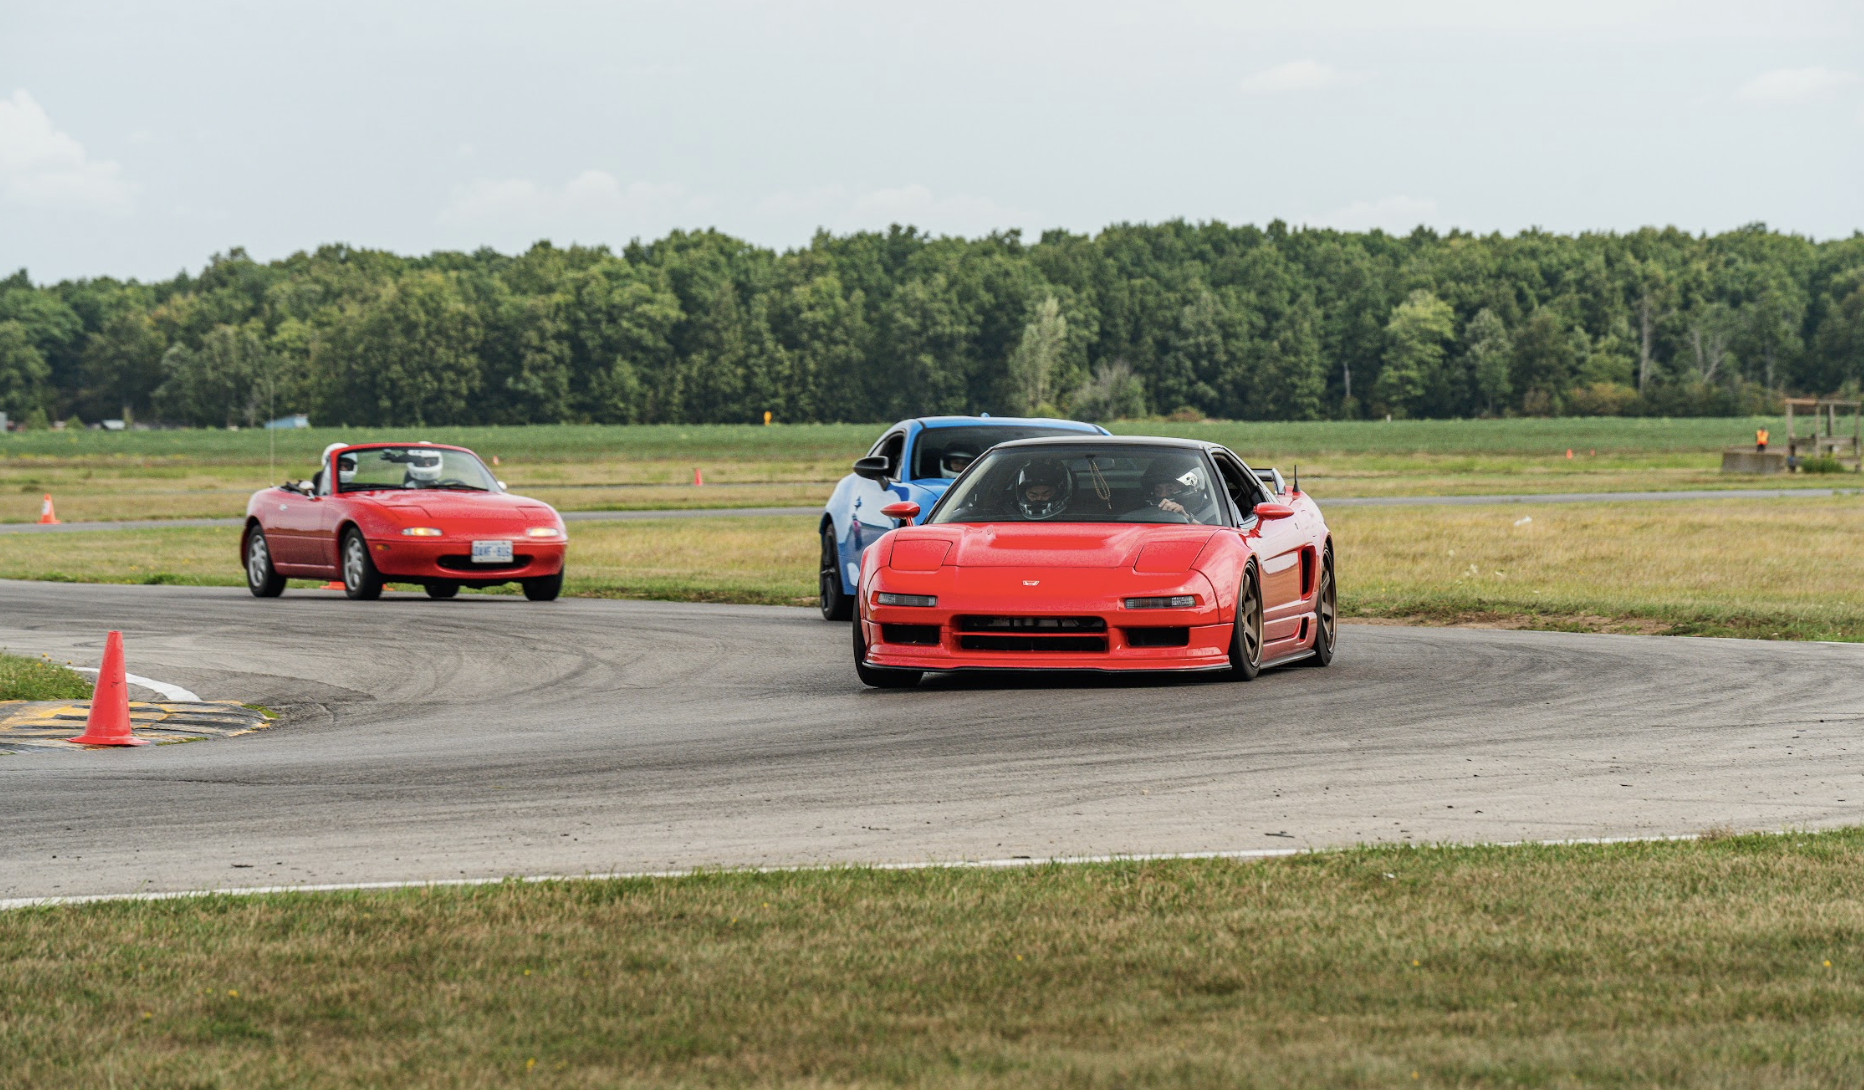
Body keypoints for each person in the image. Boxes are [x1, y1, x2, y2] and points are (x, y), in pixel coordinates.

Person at [1135, 460, 1207, 523]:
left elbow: (1207, 533)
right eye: (1158, 490)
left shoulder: (1209, 511)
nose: (1163, 495)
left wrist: (1186, 518)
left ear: (1185, 490)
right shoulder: (1141, 515)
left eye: (1170, 490)